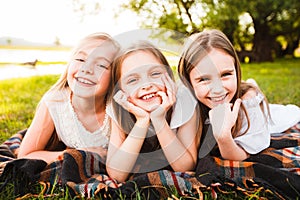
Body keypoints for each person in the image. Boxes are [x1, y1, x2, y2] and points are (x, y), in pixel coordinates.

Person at [17, 32, 120, 164]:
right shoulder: (55, 102)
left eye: (101, 65)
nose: (86, 69)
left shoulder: (117, 107)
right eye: (81, 60)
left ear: (114, 78)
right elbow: (25, 155)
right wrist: (79, 154)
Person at [106, 40, 199, 183]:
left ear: (169, 76)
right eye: (132, 80)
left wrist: (159, 119)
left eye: (155, 73)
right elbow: (117, 175)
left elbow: (185, 167)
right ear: (121, 90)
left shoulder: (184, 101)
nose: (147, 85)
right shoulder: (118, 107)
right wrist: (142, 121)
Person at [178, 29, 271, 161]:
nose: (217, 89)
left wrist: (224, 137)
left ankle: (250, 84)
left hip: (265, 114)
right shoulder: (188, 101)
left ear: (236, 71)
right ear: (189, 82)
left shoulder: (247, 103)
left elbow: (241, 156)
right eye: (204, 79)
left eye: (225, 74)